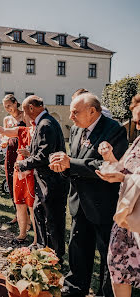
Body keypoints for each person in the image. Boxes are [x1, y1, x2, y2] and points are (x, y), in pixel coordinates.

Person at [49, 93, 128, 297]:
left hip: (103, 203)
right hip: (78, 201)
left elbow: (109, 166)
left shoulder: (115, 130)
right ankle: (74, 288)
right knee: (77, 248)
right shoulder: (75, 129)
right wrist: (63, 167)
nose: (71, 116)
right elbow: (74, 160)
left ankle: (105, 293)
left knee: (106, 254)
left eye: (75, 112)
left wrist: (70, 163)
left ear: (92, 111)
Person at [94, 94, 140, 297]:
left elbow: (128, 176)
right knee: (117, 266)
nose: (137, 125)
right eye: (135, 119)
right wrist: (109, 157)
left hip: (137, 218)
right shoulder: (138, 140)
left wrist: (122, 179)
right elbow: (126, 168)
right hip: (126, 217)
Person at [15, 95, 69, 261]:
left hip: (51, 182)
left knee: (52, 221)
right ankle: (43, 251)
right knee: (40, 215)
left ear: (31, 108)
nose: (23, 115)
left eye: (24, 111)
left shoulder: (46, 124)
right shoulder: (45, 122)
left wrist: (23, 164)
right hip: (44, 181)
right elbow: (42, 151)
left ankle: (54, 257)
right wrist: (30, 153)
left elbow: (45, 156)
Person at [0, 112, 37, 246]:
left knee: (32, 205)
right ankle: (22, 234)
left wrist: (30, 153)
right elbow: (2, 130)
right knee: (19, 202)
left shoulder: (40, 132)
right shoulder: (22, 131)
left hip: (31, 171)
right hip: (19, 170)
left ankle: (36, 240)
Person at [1, 94, 25, 225]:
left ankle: (26, 215)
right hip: (10, 151)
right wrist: (4, 141)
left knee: (22, 181)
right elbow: (4, 135)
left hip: (21, 149)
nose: (8, 108)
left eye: (9, 105)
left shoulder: (24, 115)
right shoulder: (7, 119)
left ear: (16, 103)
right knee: (11, 180)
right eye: (5, 107)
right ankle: (17, 213)